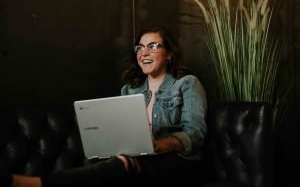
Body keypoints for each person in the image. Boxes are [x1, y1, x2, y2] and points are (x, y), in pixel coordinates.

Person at [2, 26, 207, 187]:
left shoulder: (187, 83)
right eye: (140, 47)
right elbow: (122, 135)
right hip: (141, 162)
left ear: (169, 54)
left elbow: (195, 133)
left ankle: (31, 184)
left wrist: (158, 146)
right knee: (107, 166)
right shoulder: (130, 90)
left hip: (180, 162)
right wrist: (119, 151)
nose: (143, 52)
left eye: (153, 46)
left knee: (116, 170)